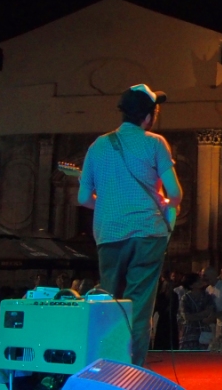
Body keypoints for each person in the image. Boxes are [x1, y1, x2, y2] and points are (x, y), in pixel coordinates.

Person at [77, 84, 182, 366]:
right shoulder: (155, 143)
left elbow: (83, 198)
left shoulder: (98, 146)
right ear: (148, 116)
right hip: (147, 233)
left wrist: (110, 205)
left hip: (109, 235)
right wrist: (165, 203)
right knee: (138, 308)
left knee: (110, 305)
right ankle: (131, 371)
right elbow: (175, 194)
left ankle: (106, 368)